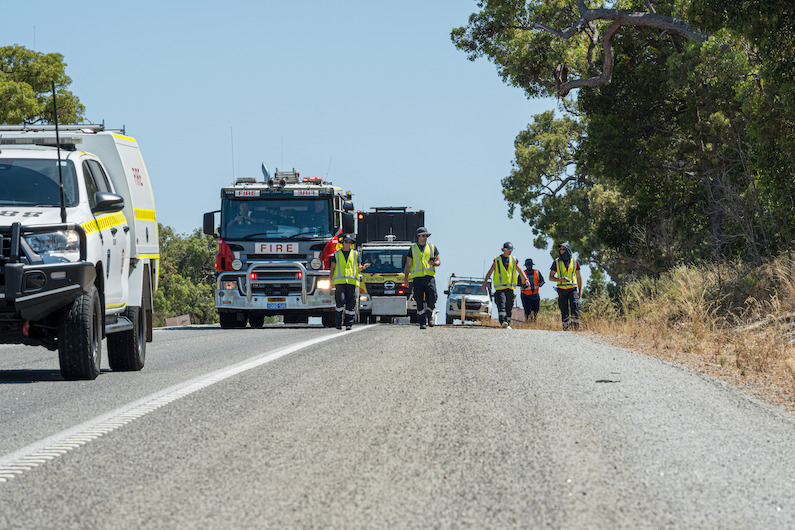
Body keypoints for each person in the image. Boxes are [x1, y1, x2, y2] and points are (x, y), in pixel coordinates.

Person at [482, 242, 530, 329]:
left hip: (510, 288)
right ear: (503, 249)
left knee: (509, 306)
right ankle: (503, 321)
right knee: (502, 304)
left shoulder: (514, 260)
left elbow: (520, 270)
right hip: (500, 288)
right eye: (508, 249)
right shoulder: (497, 260)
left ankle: (507, 323)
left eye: (511, 250)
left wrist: (526, 279)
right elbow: (490, 271)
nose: (510, 251)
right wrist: (485, 282)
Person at [403, 227, 440, 329]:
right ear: (418, 236)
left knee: (432, 298)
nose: (425, 238)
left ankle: (429, 314)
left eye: (426, 236)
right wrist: (406, 278)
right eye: (423, 235)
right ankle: (422, 323)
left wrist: (434, 263)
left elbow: (438, 261)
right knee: (419, 301)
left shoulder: (432, 247)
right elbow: (408, 264)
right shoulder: (413, 249)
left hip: (429, 277)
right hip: (417, 279)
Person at [329, 234, 368, 330]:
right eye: (346, 242)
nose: (348, 244)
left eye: (350, 242)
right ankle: (338, 323)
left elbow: (358, 267)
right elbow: (332, 268)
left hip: (351, 282)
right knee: (340, 302)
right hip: (339, 282)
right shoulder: (337, 254)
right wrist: (330, 281)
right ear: (343, 243)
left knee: (350, 304)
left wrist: (363, 267)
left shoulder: (355, 254)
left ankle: (349, 324)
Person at [549, 242, 582, 330]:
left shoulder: (575, 261)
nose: (561, 251)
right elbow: (550, 277)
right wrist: (559, 280)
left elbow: (579, 277)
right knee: (564, 310)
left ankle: (576, 329)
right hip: (561, 289)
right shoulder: (556, 262)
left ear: (568, 250)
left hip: (573, 289)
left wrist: (580, 291)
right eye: (560, 249)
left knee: (574, 307)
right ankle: (566, 329)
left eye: (563, 249)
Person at [520, 258, 545, 322]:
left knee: (535, 311)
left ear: (532, 265)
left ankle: (534, 322)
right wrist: (523, 286)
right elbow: (517, 283)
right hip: (525, 296)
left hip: (535, 296)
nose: (528, 267)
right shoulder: (522, 273)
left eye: (530, 265)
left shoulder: (537, 272)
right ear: (525, 266)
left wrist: (540, 284)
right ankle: (528, 323)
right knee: (527, 311)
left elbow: (542, 281)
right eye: (527, 265)